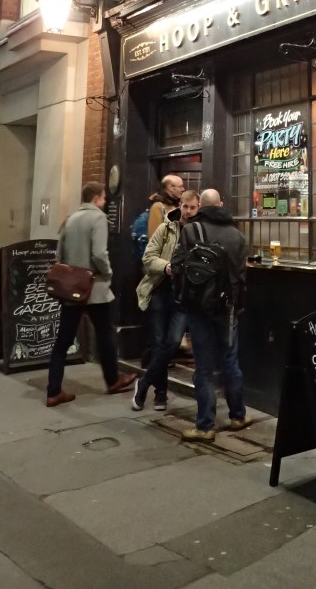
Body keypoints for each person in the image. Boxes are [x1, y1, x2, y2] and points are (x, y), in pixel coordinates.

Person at [46, 181, 137, 407]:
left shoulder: (70, 219)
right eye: (104, 198)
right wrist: (108, 272)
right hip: (94, 287)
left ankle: (53, 390)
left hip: (71, 289)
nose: (105, 202)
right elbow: (98, 253)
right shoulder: (97, 218)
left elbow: (59, 255)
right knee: (105, 334)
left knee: (63, 340)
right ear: (97, 198)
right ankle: (113, 380)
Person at [180, 188, 249, 442]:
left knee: (205, 367)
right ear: (221, 204)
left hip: (199, 309)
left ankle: (205, 426)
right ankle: (238, 416)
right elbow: (242, 277)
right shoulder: (237, 236)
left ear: (201, 206)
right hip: (228, 309)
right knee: (231, 361)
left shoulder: (190, 231)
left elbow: (179, 268)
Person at [131, 189, 200, 412]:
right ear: (179, 206)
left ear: (198, 208)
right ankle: (160, 393)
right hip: (161, 291)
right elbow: (148, 258)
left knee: (171, 343)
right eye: (185, 206)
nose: (188, 211)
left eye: (192, 207)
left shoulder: (199, 232)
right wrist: (167, 267)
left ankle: (143, 384)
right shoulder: (165, 229)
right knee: (160, 343)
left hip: (182, 296)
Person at [147, 174, 184, 238]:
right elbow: (154, 237)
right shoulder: (158, 207)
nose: (183, 189)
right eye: (180, 186)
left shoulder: (177, 205)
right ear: (170, 188)